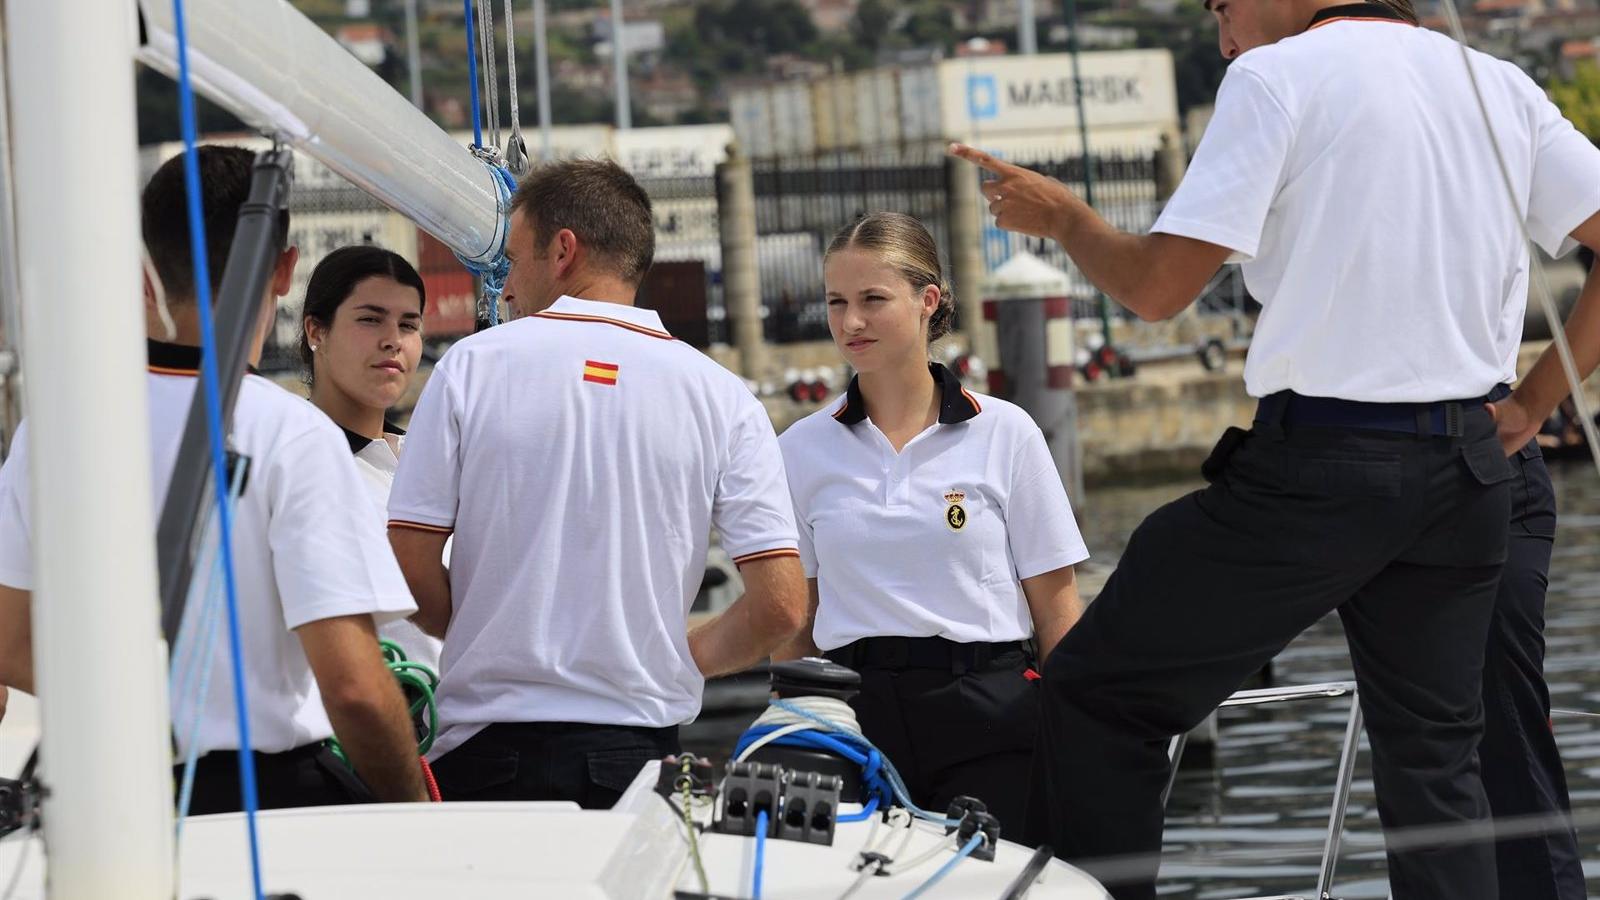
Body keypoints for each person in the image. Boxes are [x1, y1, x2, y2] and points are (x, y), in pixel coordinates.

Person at [949, 0, 1600, 893]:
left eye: (1222, 6)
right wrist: (1533, 402)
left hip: (1324, 470)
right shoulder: (1500, 86)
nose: (1221, 36)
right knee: (1437, 776)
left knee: (1099, 691)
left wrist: (1064, 217)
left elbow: (1156, 291)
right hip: (1468, 476)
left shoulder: (1273, 79)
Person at [1210, 8, 1589, 898]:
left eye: (1223, 9)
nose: (1222, 39)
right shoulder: (1302, 99)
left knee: (1485, 723)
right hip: (1358, 461)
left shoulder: (1478, 86)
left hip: (1466, 453)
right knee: (1433, 744)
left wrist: (1534, 403)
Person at [0, 146, 428, 813]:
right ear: (284, 270)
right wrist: (416, 813)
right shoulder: (292, 433)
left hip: (103, 797)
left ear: (146, 269)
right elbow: (354, 691)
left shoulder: (48, 432)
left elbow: (10, 643)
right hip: (265, 800)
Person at [387, 159, 808, 809]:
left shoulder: (472, 366)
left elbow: (410, 561)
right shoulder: (723, 396)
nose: (508, 286)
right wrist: (677, 654)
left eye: (515, 259)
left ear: (563, 251)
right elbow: (781, 605)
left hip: (489, 752)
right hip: (639, 758)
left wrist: (486, 625)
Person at [774, 212, 1088, 836]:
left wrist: (1082, 739)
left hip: (989, 716)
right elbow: (796, 619)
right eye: (837, 302)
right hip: (852, 720)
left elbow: (1057, 611)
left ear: (928, 301)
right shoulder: (800, 449)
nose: (850, 322)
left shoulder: (1006, 432)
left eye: (872, 300)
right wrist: (793, 723)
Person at [299, 244, 440, 671]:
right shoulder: (296, 467)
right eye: (370, 319)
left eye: (408, 324)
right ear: (315, 332)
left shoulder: (436, 460)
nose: (392, 341)